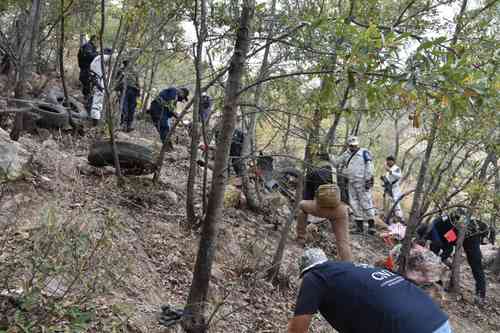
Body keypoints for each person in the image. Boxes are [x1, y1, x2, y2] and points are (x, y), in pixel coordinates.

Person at [288, 248, 453, 333]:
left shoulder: (315, 276)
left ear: (305, 271)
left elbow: (297, 330)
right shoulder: (351, 271)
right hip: (439, 321)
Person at [417, 209, 489, 305]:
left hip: (470, 235)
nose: (428, 239)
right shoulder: (437, 231)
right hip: (458, 235)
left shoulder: (439, 225)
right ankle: (438, 282)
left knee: (475, 264)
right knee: (439, 257)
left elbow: (445, 247)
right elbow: (443, 248)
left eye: (427, 237)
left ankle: (481, 295)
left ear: (428, 231)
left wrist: (440, 259)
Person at [296, 152, 352, 261]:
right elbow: (346, 198)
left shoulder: (313, 173)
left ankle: (301, 238)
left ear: (319, 161)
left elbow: (307, 197)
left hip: (320, 208)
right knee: (344, 242)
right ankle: (348, 264)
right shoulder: (339, 174)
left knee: (302, 206)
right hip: (340, 210)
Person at [332, 136, 375, 234]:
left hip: (363, 182)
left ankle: (372, 226)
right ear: (348, 145)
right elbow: (336, 162)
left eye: (354, 145)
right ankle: (359, 227)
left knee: (366, 202)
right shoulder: (346, 154)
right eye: (351, 145)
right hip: (351, 182)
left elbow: (369, 166)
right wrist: (329, 156)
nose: (353, 147)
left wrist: (368, 179)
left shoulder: (364, 152)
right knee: (354, 203)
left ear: (357, 144)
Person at [89, 48, 113, 126]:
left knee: (97, 101)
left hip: (96, 82)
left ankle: (95, 121)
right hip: (99, 83)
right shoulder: (101, 58)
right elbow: (114, 57)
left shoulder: (97, 59)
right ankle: (95, 123)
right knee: (97, 102)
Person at [116, 60, 140, 132]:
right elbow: (117, 81)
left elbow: (137, 82)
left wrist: (138, 92)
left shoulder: (135, 71)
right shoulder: (121, 70)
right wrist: (117, 90)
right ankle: (123, 124)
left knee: (131, 109)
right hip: (124, 90)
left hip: (133, 91)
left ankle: (129, 125)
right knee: (124, 108)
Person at [77, 35, 98, 114]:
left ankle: (87, 107)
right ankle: (87, 109)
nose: (98, 43)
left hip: (86, 71)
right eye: (97, 40)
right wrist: (98, 54)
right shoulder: (88, 46)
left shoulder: (88, 46)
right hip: (86, 71)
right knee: (88, 91)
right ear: (93, 40)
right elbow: (89, 56)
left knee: (88, 90)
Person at [382, 155, 405, 223]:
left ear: (393, 161)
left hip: (395, 189)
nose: (388, 162)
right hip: (389, 188)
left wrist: (390, 172)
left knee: (396, 202)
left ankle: (400, 218)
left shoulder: (396, 168)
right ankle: (391, 218)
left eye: (389, 161)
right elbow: (389, 178)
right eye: (387, 161)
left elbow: (399, 176)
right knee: (390, 203)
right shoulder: (389, 169)